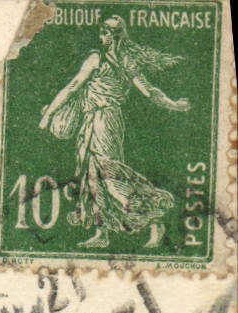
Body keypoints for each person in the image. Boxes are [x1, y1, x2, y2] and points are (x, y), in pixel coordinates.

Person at [38, 15, 190, 249]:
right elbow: (75, 87)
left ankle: (155, 220)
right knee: (92, 177)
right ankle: (102, 233)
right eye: (101, 32)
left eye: (106, 32)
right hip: (92, 120)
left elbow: (147, 91)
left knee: (109, 175)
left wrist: (173, 104)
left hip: (105, 120)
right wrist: (173, 104)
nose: (102, 37)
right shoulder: (109, 59)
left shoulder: (108, 60)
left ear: (115, 35)